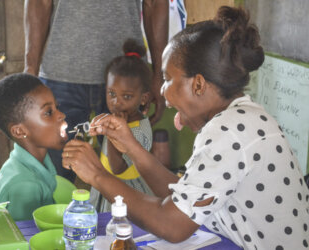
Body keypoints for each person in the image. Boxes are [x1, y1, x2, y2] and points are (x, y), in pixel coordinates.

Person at [62, 6, 309, 249]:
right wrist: (131, 147)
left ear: (199, 84)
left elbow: (172, 225)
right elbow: (180, 196)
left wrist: (97, 174)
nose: (162, 90)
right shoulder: (243, 117)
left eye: (168, 79)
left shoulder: (229, 130)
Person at [23, 0, 169, 182]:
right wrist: (30, 69)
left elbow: (154, 3)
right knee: (53, 178)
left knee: (127, 176)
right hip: (60, 74)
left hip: (126, 80)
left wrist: (160, 73)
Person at [0, 73, 68, 221]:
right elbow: (27, 241)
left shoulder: (36, 164)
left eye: (57, 107)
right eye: (48, 112)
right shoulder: (25, 186)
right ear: (20, 131)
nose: (61, 115)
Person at [90, 39, 154, 213]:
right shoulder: (115, 118)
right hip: (107, 190)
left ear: (144, 98)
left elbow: (118, 168)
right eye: (111, 94)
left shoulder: (139, 130)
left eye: (126, 96)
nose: (116, 103)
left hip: (126, 197)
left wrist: (113, 134)